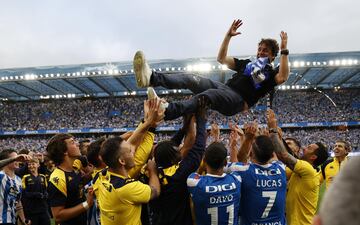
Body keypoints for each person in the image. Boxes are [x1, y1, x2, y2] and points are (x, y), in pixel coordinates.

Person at [133, 19, 289, 121]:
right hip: (225, 88)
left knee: (206, 96)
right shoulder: (248, 64)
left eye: (265, 51)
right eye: (260, 49)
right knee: (191, 79)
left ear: (273, 56)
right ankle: (151, 78)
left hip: (238, 100)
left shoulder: (270, 73)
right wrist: (228, 36)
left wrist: (284, 50)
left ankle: (167, 111)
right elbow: (222, 59)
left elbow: (283, 77)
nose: (260, 52)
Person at [150, 97, 208, 225]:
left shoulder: (151, 169)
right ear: (173, 158)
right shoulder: (180, 174)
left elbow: (169, 145)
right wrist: (201, 119)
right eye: (177, 150)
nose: (179, 149)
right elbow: (198, 146)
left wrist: (184, 127)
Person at [267, 109, 329, 225]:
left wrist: (272, 130)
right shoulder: (302, 171)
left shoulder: (307, 169)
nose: (305, 148)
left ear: (313, 157)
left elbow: (283, 155)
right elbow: (284, 162)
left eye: (309, 148)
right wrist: (279, 140)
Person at [226, 122, 287, 225]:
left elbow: (239, 159)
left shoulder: (246, 171)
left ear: (252, 153)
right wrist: (268, 139)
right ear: (272, 153)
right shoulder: (280, 168)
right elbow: (274, 154)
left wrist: (247, 139)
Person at [187, 142, 242, 225]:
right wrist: (233, 147)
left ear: (204, 161)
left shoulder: (195, 183)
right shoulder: (236, 180)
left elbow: (197, 173)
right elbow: (234, 167)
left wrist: (202, 166)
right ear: (225, 162)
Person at [46, 134, 94, 225]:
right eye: (72, 142)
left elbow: (75, 184)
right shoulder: (57, 179)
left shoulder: (75, 166)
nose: (77, 144)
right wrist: (87, 204)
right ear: (64, 151)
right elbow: (57, 216)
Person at [312, 155, 360, 225]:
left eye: (340, 146)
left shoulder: (351, 165)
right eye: (335, 145)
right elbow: (317, 180)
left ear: (346, 151)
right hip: (332, 204)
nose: (336, 147)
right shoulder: (327, 164)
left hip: (350, 205)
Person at [0, 149, 29, 225]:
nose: (18, 161)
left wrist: (23, 219)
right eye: (15, 159)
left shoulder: (18, 180)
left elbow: (18, 202)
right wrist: (14, 159)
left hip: (12, 220)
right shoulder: (1, 176)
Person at [21, 158, 51, 225]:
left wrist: (46, 194)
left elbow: (46, 190)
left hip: (43, 209)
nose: (31, 166)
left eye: (33, 164)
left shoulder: (43, 177)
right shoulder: (25, 177)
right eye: (29, 164)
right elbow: (24, 193)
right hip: (31, 210)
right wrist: (35, 194)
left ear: (38, 165)